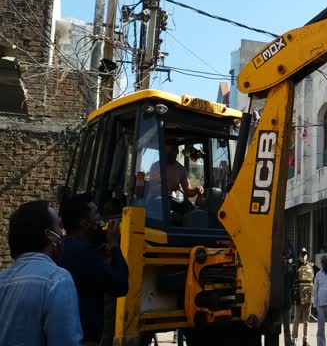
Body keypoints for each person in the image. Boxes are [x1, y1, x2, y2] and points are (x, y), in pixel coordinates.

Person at [0, 200, 83, 345]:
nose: (62, 234)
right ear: (50, 236)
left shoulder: (2, 280)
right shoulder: (57, 281)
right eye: (59, 226)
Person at [59, 194, 129, 346]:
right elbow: (120, 285)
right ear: (85, 224)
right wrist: (114, 245)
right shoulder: (86, 254)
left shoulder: (60, 248)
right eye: (96, 214)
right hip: (84, 337)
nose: (100, 218)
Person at [136, 141, 203, 199]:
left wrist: (196, 190)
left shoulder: (181, 169)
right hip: (155, 202)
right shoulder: (156, 166)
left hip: (171, 202)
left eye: (176, 151)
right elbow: (153, 189)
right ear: (164, 151)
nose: (175, 153)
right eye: (171, 151)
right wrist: (168, 187)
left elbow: (188, 191)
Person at [292, 248, 313, 346]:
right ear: (299, 256)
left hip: (308, 298)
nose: (304, 257)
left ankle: (305, 340)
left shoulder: (311, 267)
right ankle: (294, 340)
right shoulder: (295, 267)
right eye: (302, 255)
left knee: (307, 321)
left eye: (305, 255)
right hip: (298, 298)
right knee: (296, 320)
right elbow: (291, 283)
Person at [281, 253, 294, 346]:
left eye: (285, 259)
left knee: (287, 327)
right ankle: (288, 343)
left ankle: (288, 343)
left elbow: (292, 285)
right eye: (282, 259)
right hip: (278, 302)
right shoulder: (277, 271)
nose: (284, 261)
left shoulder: (289, 271)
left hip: (287, 302)